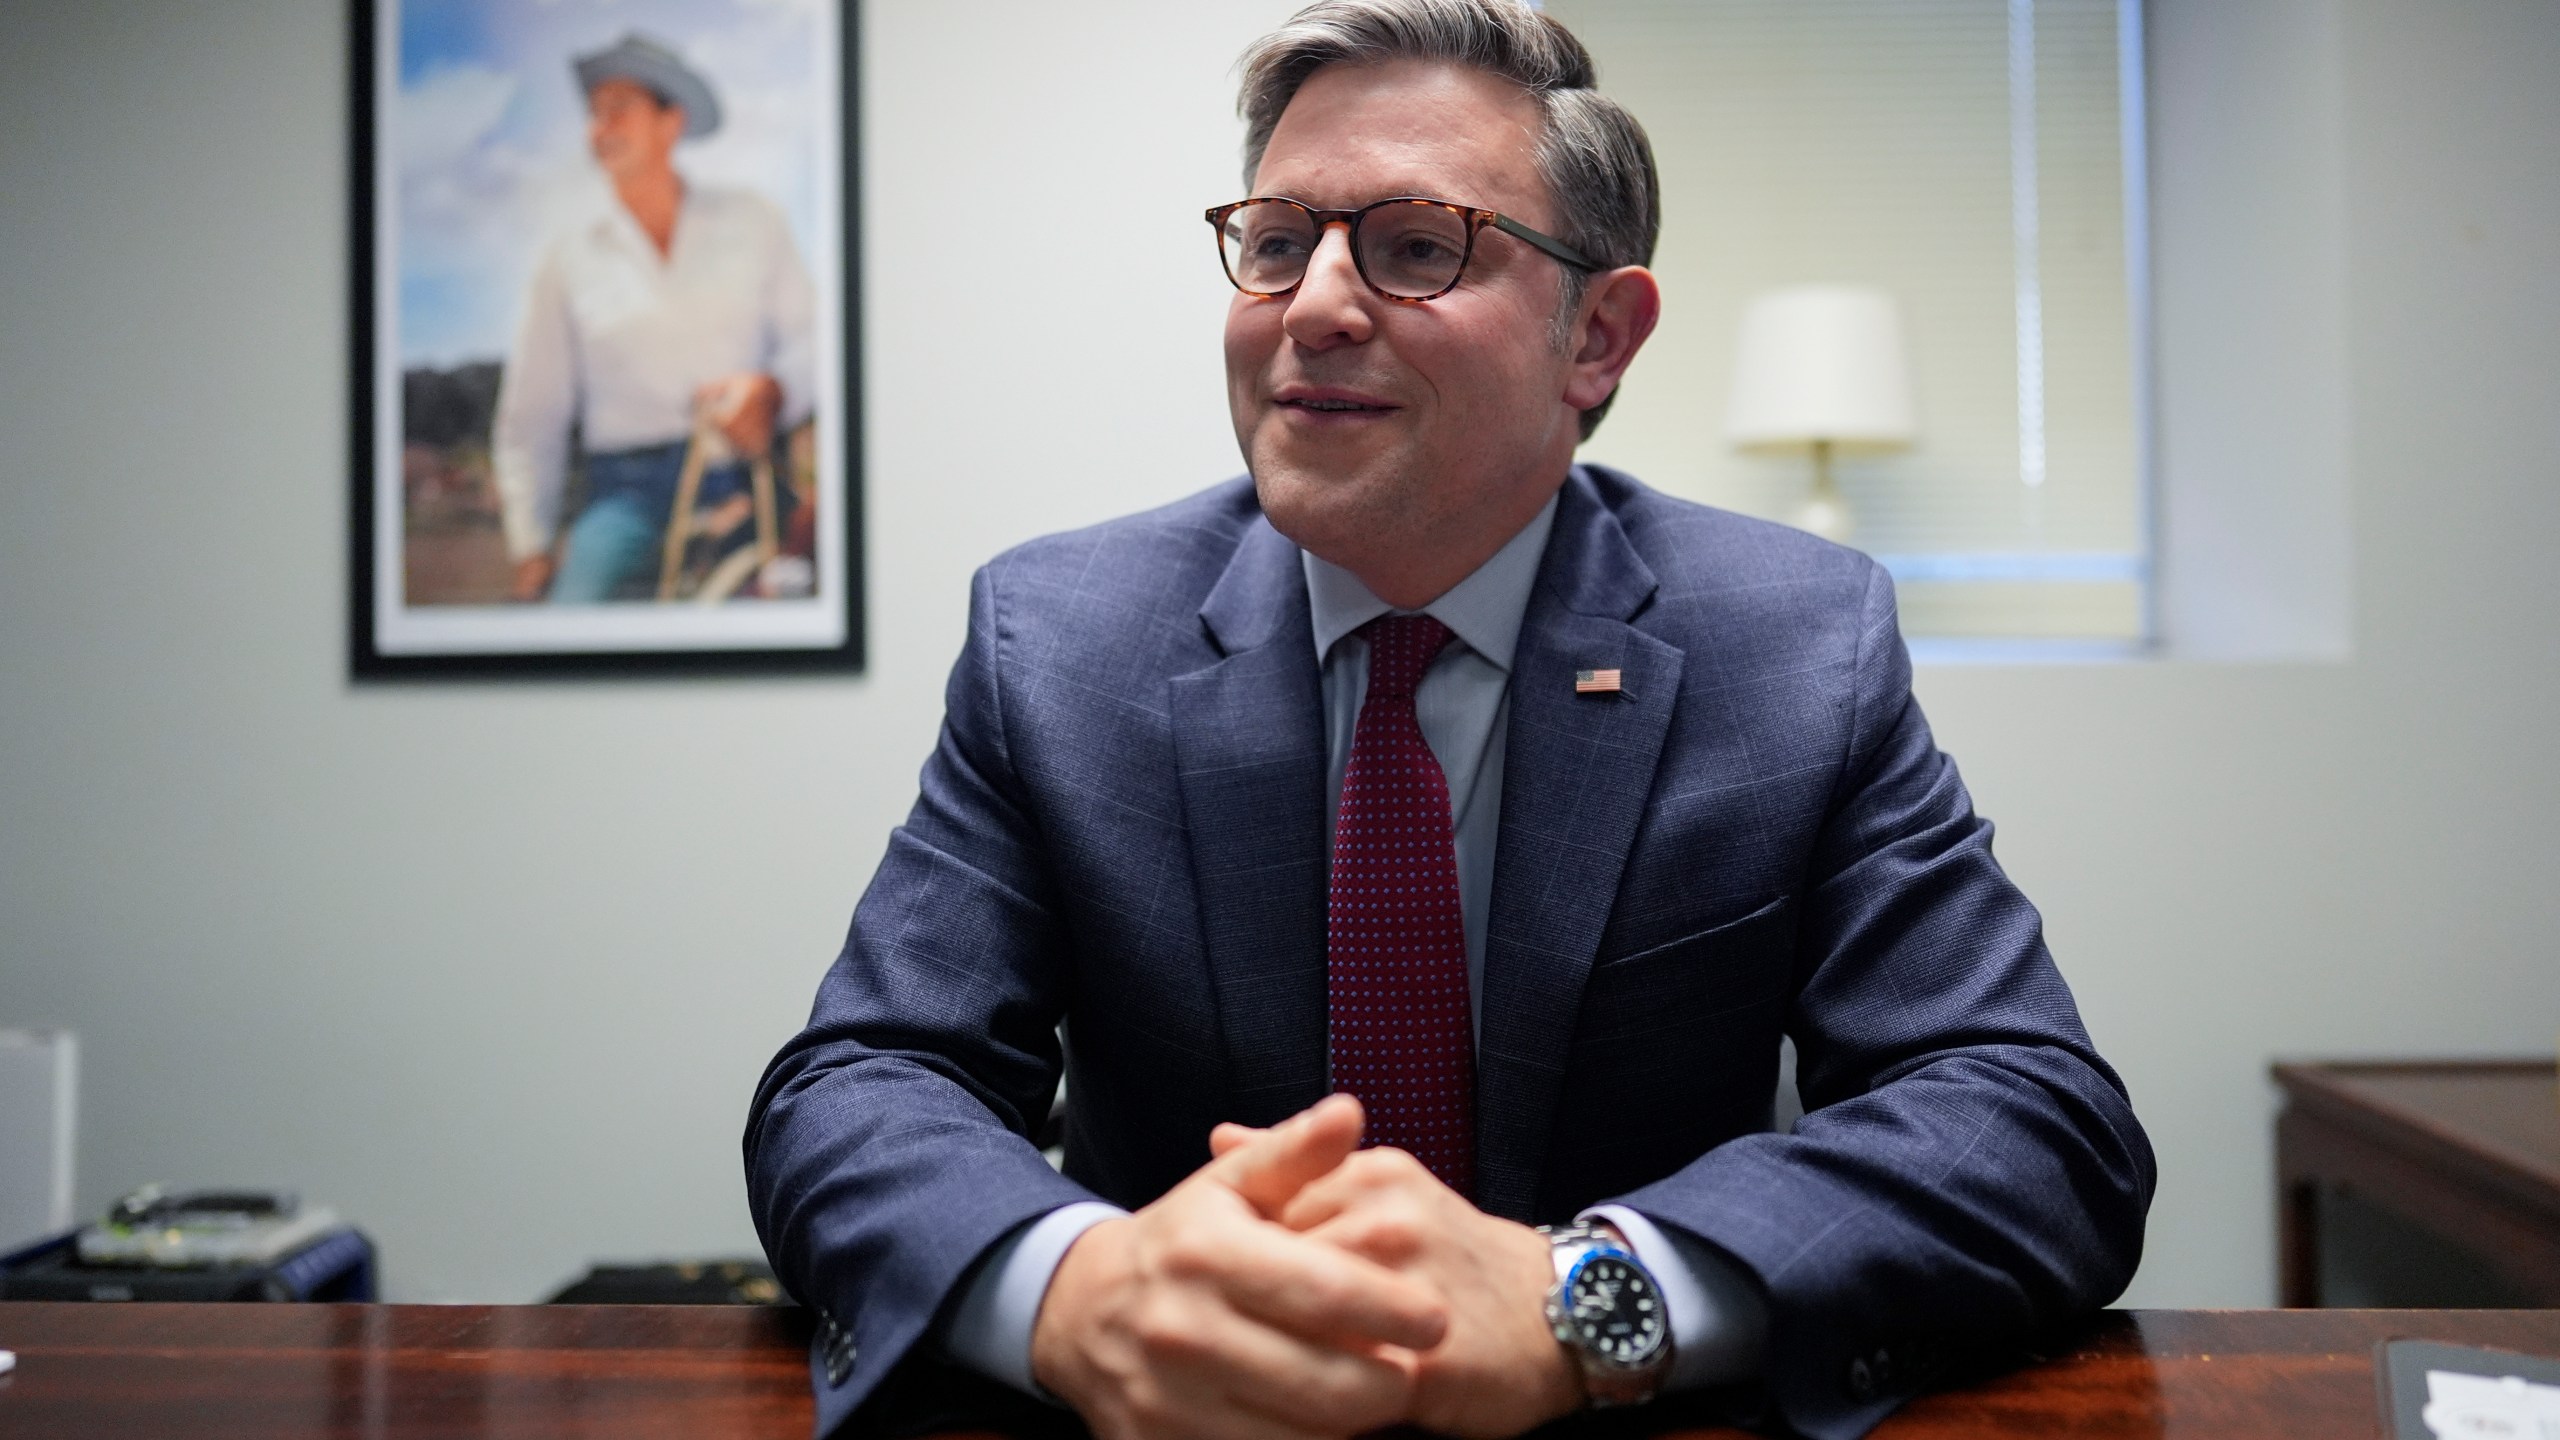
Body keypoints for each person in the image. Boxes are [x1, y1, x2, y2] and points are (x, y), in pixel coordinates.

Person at [745, 4, 2154, 1439]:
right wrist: (1074, 1287)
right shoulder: (1058, 641)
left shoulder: (1792, 644)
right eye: (1279, 241)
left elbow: (2028, 1119)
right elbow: (861, 1083)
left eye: (1417, 246)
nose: (1315, 305)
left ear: (1594, 334)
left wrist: (1593, 1298)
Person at [490, 32, 817, 604]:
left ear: (672, 122)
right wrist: (532, 545)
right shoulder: (566, 256)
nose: (600, 129)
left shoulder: (753, 220)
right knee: (577, 631)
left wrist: (774, 389)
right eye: (594, 115)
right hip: (623, 495)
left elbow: (816, 342)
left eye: (619, 109)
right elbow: (531, 413)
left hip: (750, 478)